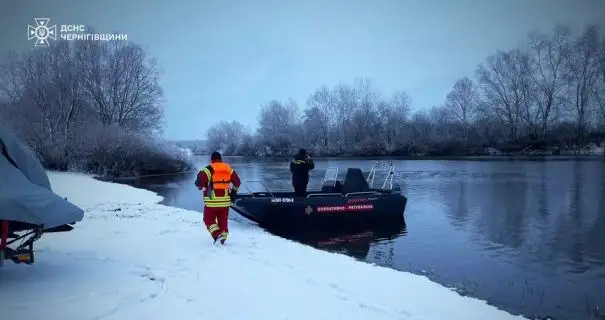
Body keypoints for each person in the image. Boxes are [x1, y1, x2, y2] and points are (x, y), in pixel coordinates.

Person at [194, 151, 241, 245]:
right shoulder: (228, 169)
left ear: (211, 160)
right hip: (225, 202)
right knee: (223, 220)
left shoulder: (208, 169)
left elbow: (198, 182)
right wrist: (233, 193)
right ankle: (222, 239)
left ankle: (216, 234)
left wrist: (201, 187)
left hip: (211, 202)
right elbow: (237, 182)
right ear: (221, 159)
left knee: (208, 219)